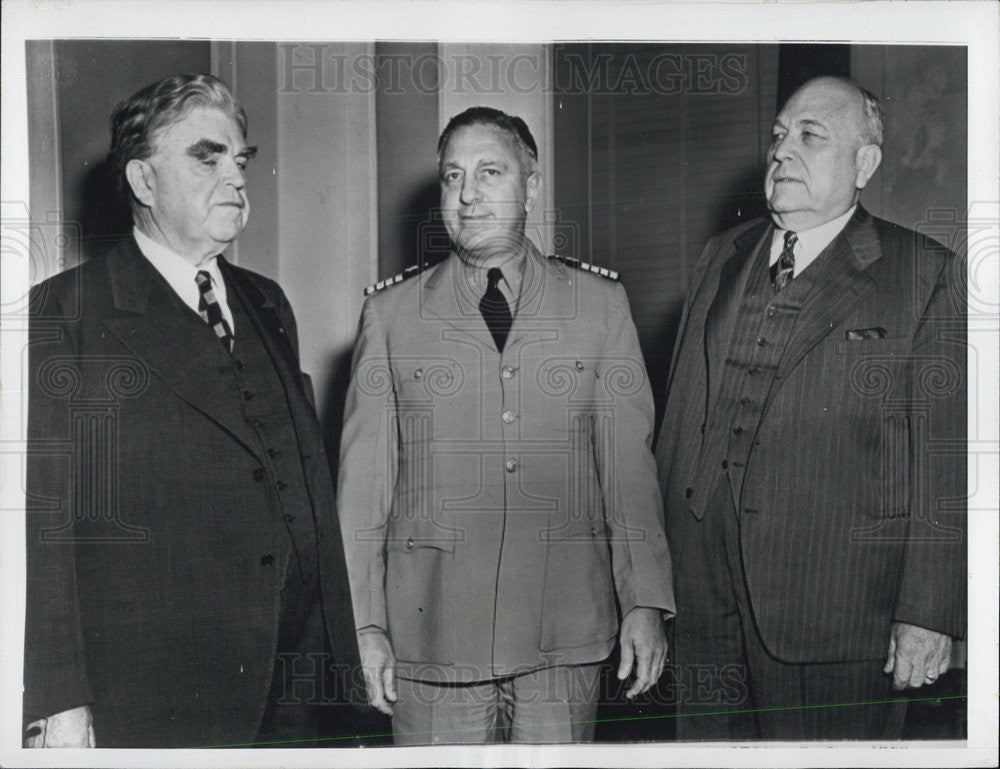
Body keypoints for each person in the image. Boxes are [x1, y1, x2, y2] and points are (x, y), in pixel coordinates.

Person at [23, 73, 360, 748]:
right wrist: (60, 702)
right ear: (144, 182)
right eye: (207, 158)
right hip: (158, 692)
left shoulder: (268, 301)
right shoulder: (65, 313)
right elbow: (42, 528)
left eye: (240, 160)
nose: (235, 178)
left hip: (294, 683)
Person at [337, 106, 675, 744]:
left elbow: (629, 468)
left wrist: (644, 602)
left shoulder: (599, 306)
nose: (467, 195)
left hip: (565, 631)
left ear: (532, 185)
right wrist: (365, 625)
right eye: (452, 176)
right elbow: (363, 493)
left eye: (489, 172)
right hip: (433, 635)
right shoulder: (391, 315)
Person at [654, 76, 967, 740]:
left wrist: (930, 613)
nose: (781, 151)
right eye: (777, 135)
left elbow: (945, 460)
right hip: (706, 602)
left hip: (838, 607)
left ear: (865, 164)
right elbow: (679, 423)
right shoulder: (722, 256)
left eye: (810, 136)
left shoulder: (921, 271)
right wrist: (652, 585)